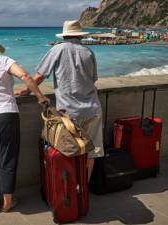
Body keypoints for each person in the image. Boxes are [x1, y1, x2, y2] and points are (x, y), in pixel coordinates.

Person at [0, 34, 50, 213]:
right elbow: (25, 75)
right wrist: (40, 97)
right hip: (5, 115)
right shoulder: (5, 61)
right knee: (8, 158)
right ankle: (7, 201)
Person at [16, 20, 104, 181]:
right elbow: (93, 79)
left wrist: (27, 90)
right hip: (93, 109)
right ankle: (83, 191)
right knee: (91, 152)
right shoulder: (88, 52)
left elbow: (40, 75)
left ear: (64, 35)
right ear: (80, 36)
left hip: (69, 113)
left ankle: (69, 193)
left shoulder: (57, 50)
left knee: (68, 152)